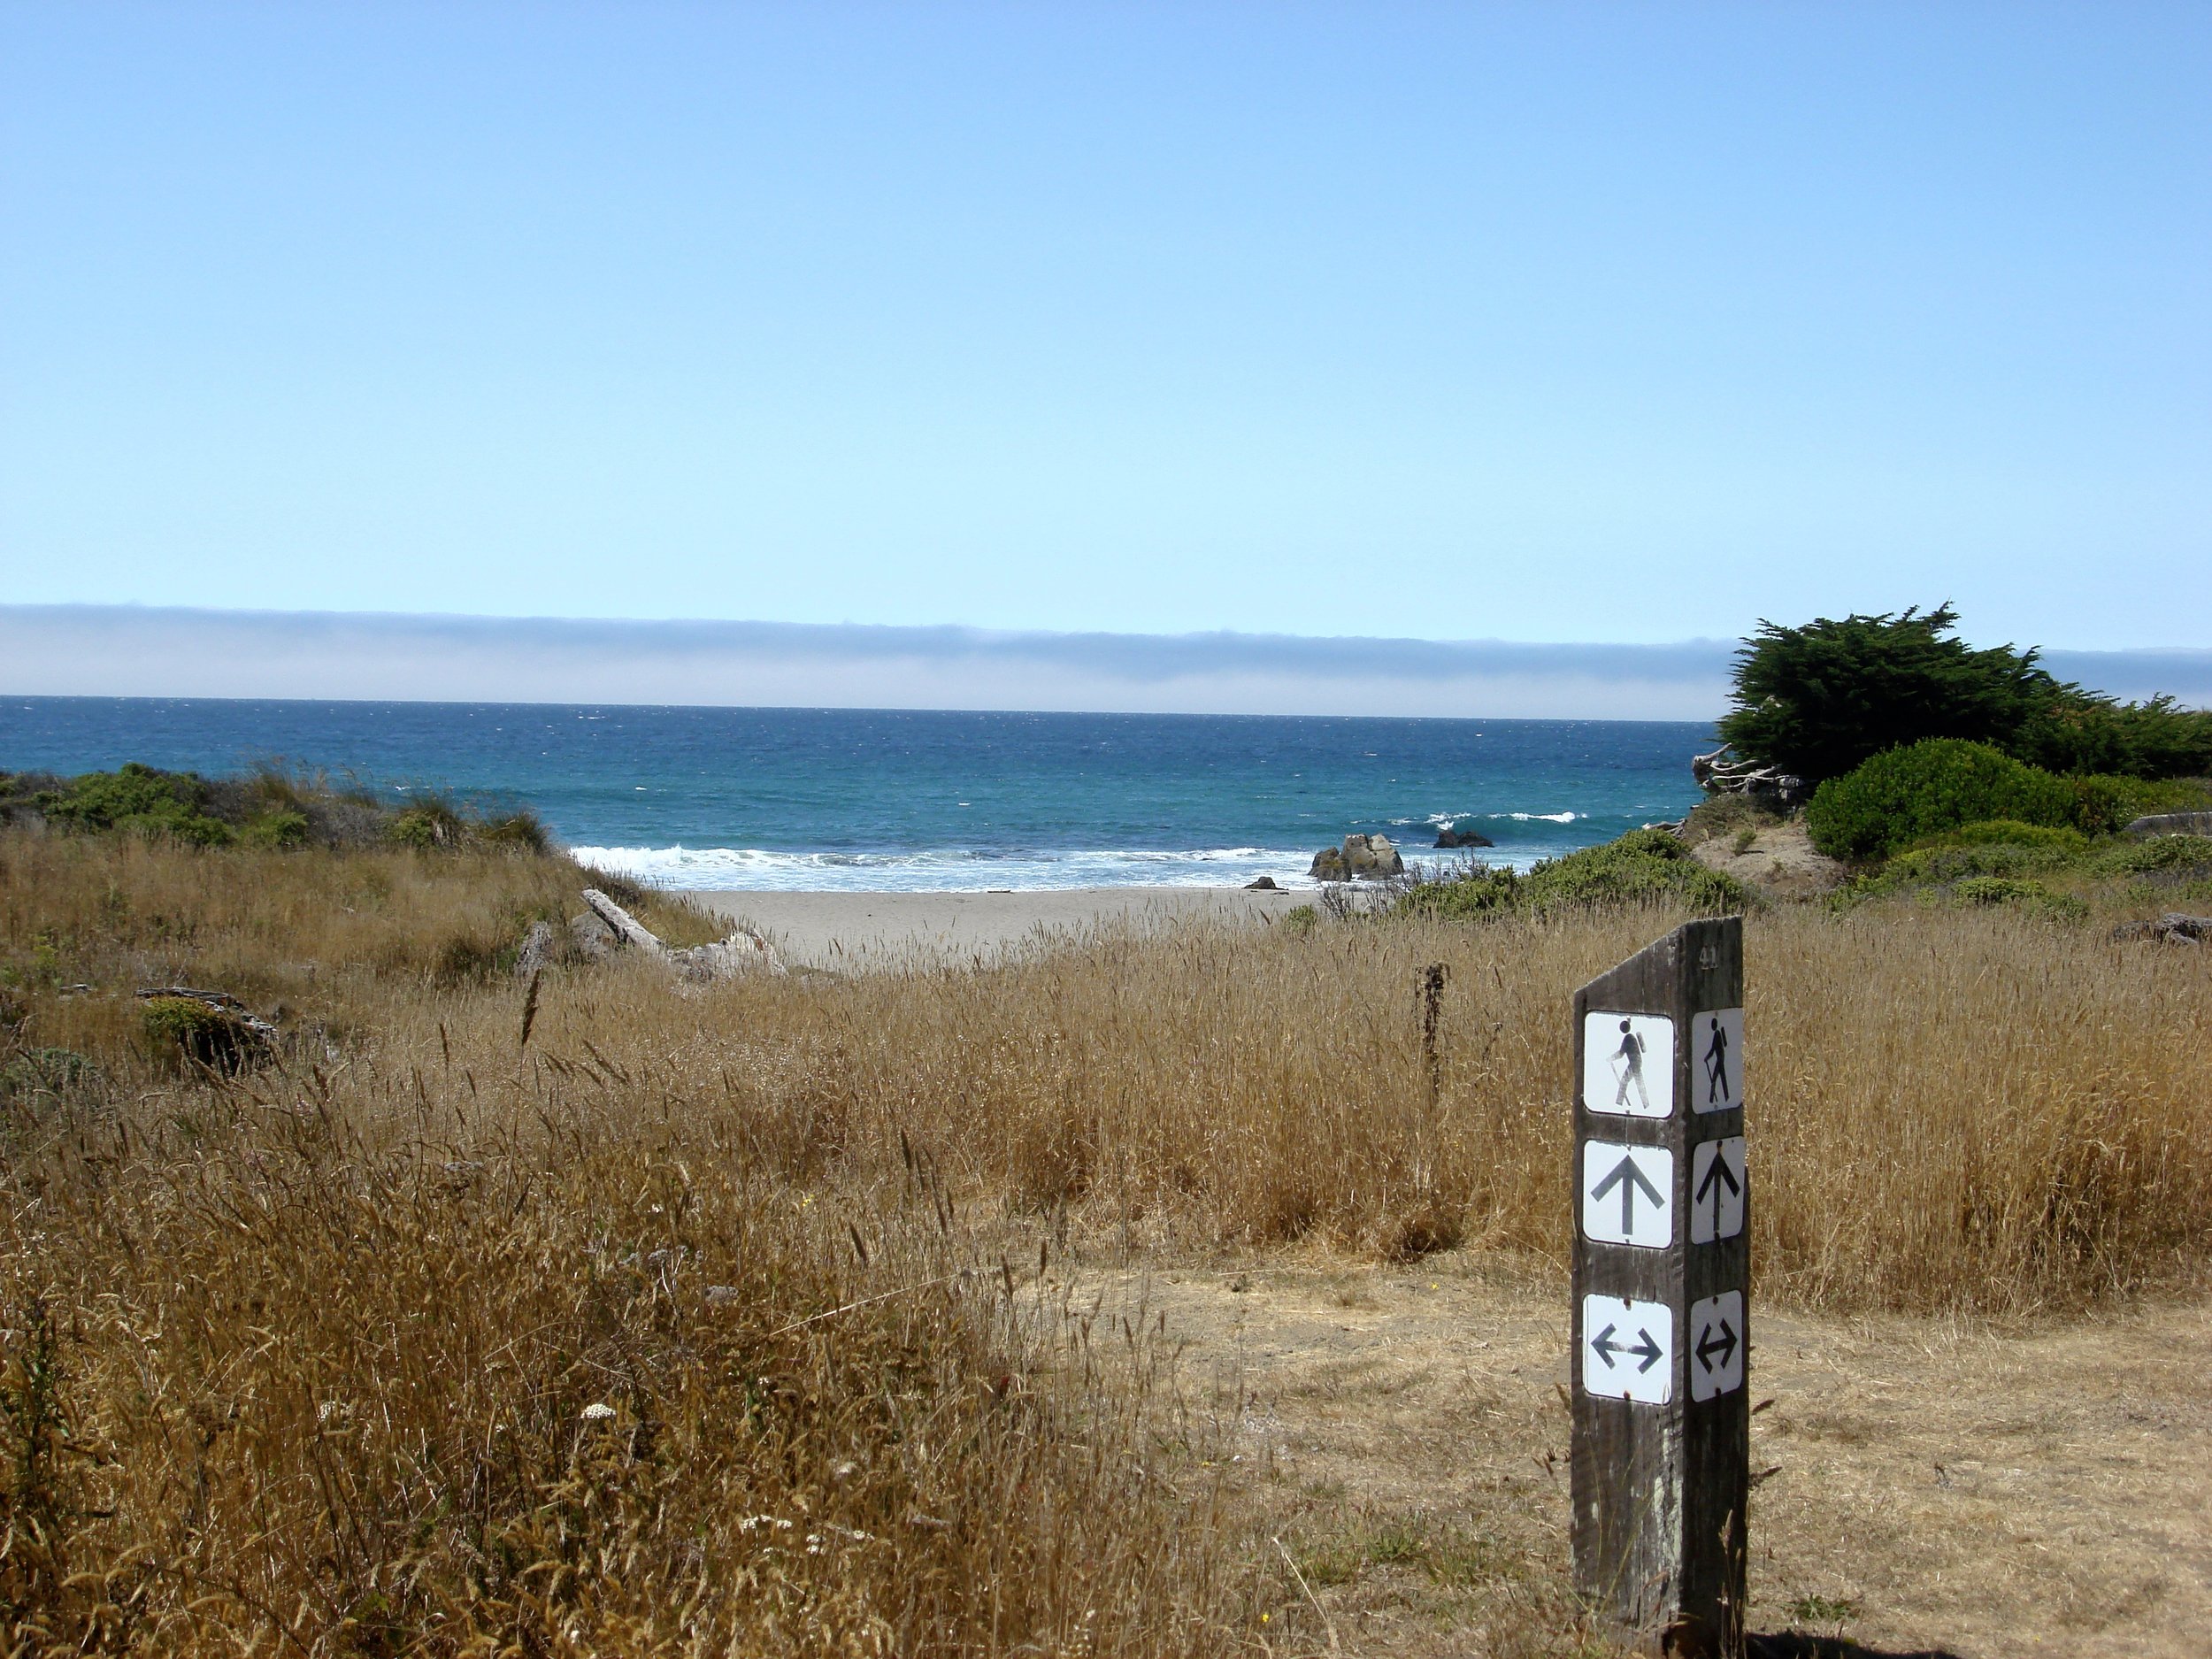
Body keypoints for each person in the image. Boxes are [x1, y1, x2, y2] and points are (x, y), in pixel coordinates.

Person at [1611, 1018, 1648, 1110]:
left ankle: (1618, 1103)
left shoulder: (1628, 1038)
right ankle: (1646, 1104)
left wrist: (1611, 1058)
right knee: (1639, 1083)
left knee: (1624, 1081)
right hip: (1637, 1062)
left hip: (1634, 1063)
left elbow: (1620, 1054)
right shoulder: (1632, 1037)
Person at [1703, 1015, 1731, 1105]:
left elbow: (1713, 1049)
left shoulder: (1717, 1034)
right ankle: (1726, 1097)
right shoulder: (1718, 1033)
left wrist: (1707, 1058)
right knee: (1722, 1078)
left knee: (1714, 1079)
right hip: (1721, 1058)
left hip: (1720, 1059)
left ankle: (1711, 1100)